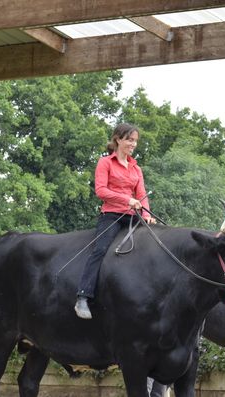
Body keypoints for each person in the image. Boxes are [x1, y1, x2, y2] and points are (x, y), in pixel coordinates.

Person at [74, 123, 155, 320]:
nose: (133, 144)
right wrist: (127, 200)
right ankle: (83, 296)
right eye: (130, 140)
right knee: (100, 250)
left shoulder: (136, 168)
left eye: (135, 141)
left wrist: (147, 215)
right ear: (118, 139)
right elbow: (101, 191)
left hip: (133, 217)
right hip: (111, 215)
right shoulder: (105, 163)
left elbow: (142, 194)